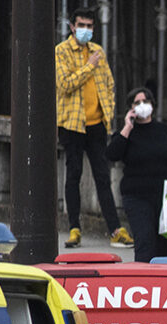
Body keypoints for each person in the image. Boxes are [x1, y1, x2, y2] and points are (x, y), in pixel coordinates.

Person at [55, 8, 131, 249]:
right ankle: (74, 228)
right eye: (81, 25)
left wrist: (107, 113)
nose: (85, 30)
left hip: (96, 124)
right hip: (71, 124)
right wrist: (88, 66)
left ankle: (115, 230)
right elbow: (65, 84)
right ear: (71, 26)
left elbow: (109, 84)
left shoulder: (98, 51)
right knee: (73, 174)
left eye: (89, 26)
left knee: (102, 177)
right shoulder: (62, 52)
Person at [104, 87, 167, 264]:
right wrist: (128, 126)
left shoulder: (165, 131)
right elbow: (112, 154)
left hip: (165, 197)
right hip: (137, 196)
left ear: (152, 104)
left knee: (163, 246)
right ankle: (143, 281)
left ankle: (163, 284)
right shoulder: (128, 133)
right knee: (144, 242)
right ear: (131, 107)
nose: (142, 105)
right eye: (137, 102)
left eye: (145, 101)